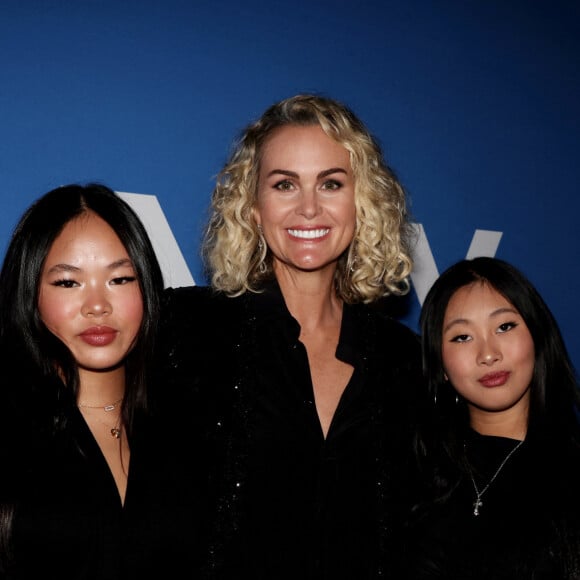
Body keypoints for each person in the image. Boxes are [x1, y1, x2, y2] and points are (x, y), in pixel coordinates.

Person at [158, 94, 426, 579]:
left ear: (361, 202)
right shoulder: (187, 331)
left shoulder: (401, 358)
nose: (308, 208)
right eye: (284, 184)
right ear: (253, 207)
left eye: (331, 183)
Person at [0, 184, 203, 579]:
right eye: (68, 283)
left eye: (120, 279)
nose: (97, 306)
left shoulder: (191, 425)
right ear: (30, 294)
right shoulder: (8, 429)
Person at [401, 256, 580, 578]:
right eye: (462, 337)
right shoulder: (412, 471)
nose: (487, 354)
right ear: (440, 364)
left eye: (505, 326)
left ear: (537, 336)